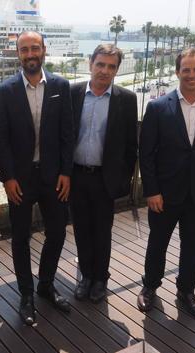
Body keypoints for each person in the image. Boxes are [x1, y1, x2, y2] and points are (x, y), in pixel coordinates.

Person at [137, 48, 195, 320]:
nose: (191, 75)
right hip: (164, 194)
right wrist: (151, 190)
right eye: (186, 69)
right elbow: (147, 154)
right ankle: (150, 286)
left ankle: (187, 291)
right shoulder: (157, 107)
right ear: (177, 72)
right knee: (157, 243)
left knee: (193, 246)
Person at [0, 30, 74, 325]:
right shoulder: (6, 90)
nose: (30, 54)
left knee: (58, 232)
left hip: (54, 177)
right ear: (18, 54)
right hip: (21, 180)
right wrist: (8, 178)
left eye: (35, 48)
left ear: (44, 50)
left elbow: (68, 133)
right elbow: (1, 140)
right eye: (24, 49)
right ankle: (26, 294)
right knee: (21, 237)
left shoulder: (60, 86)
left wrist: (67, 171)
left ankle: (46, 284)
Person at [70, 44, 138, 303]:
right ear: (91, 64)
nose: (105, 71)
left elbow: (131, 145)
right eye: (100, 64)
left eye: (111, 66)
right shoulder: (72, 93)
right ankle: (85, 276)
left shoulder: (126, 100)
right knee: (81, 230)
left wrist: (123, 179)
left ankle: (100, 279)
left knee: (103, 231)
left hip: (104, 179)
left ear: (117, 70)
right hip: (76, 176)